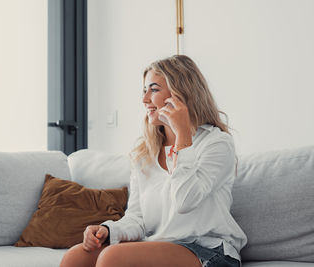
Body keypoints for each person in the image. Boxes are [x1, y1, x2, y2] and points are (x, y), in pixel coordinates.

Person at [59, 55, 247, 267]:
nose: (145, 99)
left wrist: (182, 134)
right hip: (159, 246)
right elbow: (138, 219)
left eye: (154, 89)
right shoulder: (144, 154)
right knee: (76, 257)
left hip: (209, 250)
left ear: (181, 93)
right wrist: (109, 230)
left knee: (113, 258)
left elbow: (186, 201)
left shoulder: (216, 143)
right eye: (144, 90)